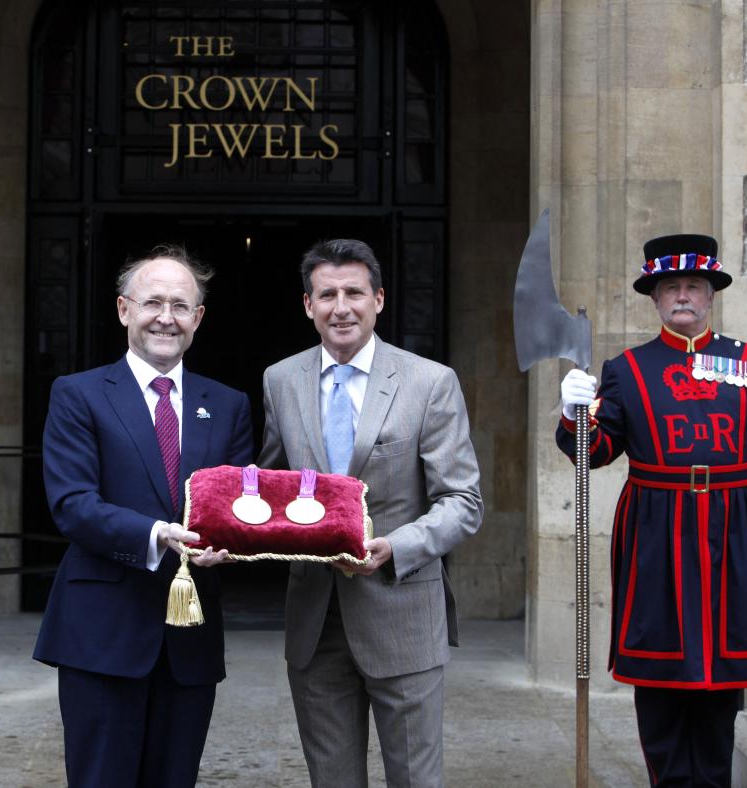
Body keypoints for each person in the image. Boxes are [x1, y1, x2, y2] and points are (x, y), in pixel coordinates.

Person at [557, 233, 747, 786]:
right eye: (670, 286)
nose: (683, 296)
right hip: (657, 534)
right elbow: (595, 453)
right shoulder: (626, 368)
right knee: (661, 681)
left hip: (736, 529)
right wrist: (576, 413)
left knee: (723, 681)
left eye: (693, 285)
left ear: (711, 294)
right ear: (654, 298)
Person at [259, 238, 484, 787]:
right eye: (327, 294)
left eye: (354, 292)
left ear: (378, 299)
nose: (342, 306)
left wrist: (395, 548)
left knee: (414, 780)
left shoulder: (429, 382)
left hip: (401, 612)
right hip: (314, 620)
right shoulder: (280, 380)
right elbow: (269, 487)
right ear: (307, 305)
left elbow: (463, 501)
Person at [32, 245, 253, 787]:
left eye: (181, 305)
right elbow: (72, 504)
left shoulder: (228, 404)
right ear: (123, 309)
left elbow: (239, 503)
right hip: (101, 631)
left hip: (190, 638)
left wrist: (232, 541)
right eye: (152, 302)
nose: (166, 317)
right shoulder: (78, 394)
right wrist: (158, 535)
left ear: (198, 319)